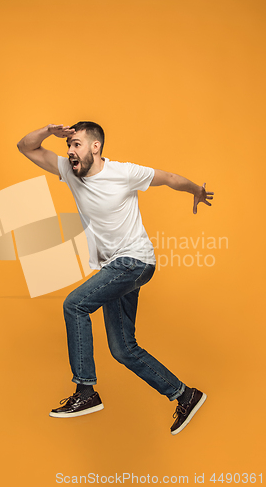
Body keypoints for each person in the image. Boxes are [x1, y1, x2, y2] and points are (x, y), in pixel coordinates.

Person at [17, 122, 214, 435]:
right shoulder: (69, 171)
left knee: (75, 305)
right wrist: (47, 132)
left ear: (96, 147)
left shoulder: (123, 173)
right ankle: (184, 394)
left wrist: (197, 191)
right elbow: (26, 147)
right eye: (68, 146)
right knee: (123, 349)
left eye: (77, 144)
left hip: (135, 261)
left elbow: (169, 178)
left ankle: (86, 392)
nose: (70, 152)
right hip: (114, 268)